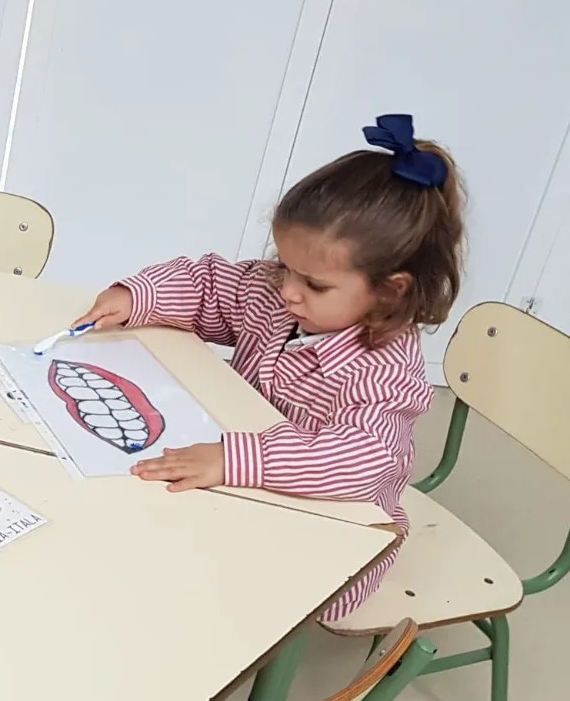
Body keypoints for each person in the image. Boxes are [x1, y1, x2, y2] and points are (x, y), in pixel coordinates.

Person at [72, 114, 464, 621]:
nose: (286, 291)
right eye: (283, 267)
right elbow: (211, 286)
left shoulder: (385, 371)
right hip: (234, 476)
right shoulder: (277, 293)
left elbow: (359, 461)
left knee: (215, 597)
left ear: (390, 290)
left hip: (333, 529)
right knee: (137, 532)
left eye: (314, 284)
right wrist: (137, 296)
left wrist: (235, 461)